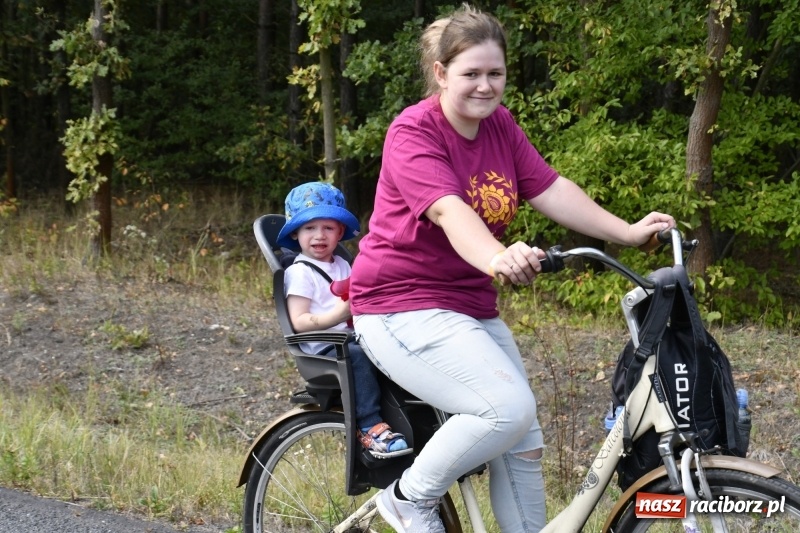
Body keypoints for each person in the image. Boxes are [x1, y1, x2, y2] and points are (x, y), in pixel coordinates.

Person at [349, 4, 675, 532]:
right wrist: (496, 257)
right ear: (440, 73)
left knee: (523, 444)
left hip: (468, 306)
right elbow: (449, 210)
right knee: (505, 409)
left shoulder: (499, 125)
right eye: (470, 73)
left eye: (494, 73)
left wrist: (628, 231)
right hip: (399, 305)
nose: (485, 85)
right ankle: (409, 500)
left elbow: (550, 188)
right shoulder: (414, 132)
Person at [277, 182, 412, 459]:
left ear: (340, 232)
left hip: (352, 336)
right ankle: (370, 425)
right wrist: (338, 315)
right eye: (309, 228)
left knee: (396, 343)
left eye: (328, 228)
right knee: (359, 356)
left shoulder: (342, 264)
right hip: (326, 348)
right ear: (295, 234)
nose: (319, 236)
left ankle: (408, 413)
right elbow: (299, 321)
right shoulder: (300, 272)